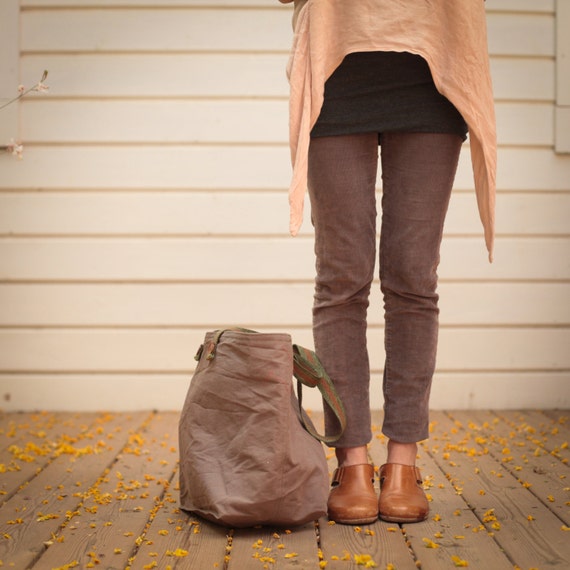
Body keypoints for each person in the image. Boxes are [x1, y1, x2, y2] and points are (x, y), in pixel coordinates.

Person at [279, 0, 496, 524]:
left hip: (433, 77)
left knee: (413, 280)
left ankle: (403, 462)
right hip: (336, 77)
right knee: (341, 281)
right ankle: (351, 461)